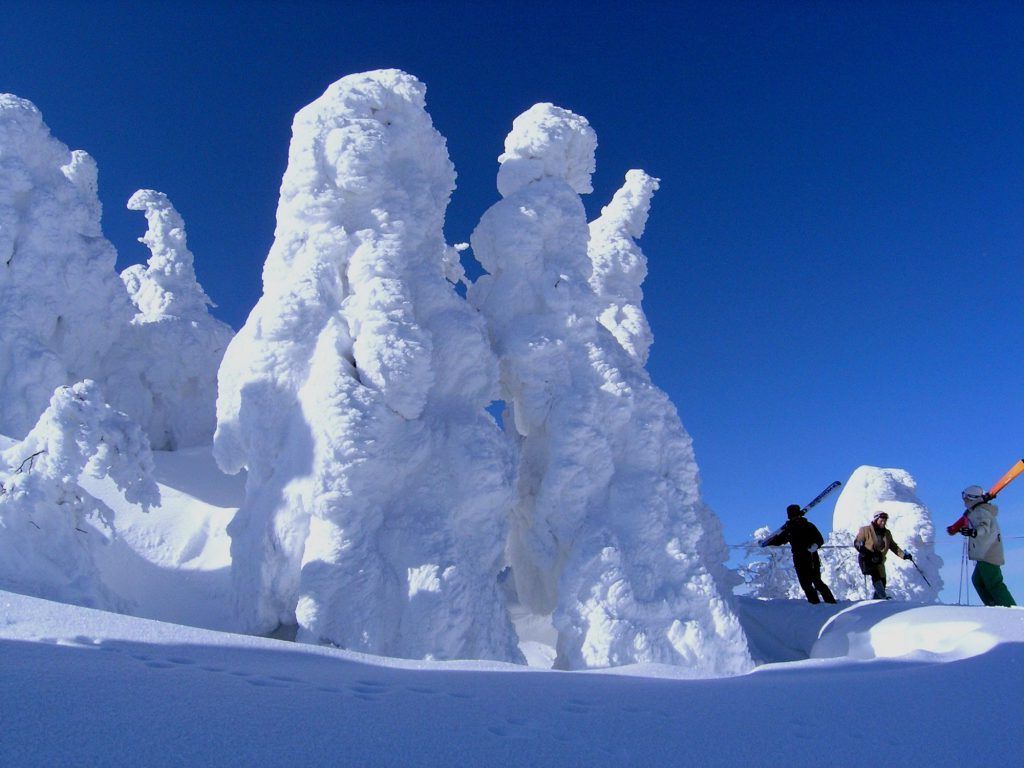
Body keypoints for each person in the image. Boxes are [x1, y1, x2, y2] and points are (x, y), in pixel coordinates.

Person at [947, 485, 1016, 607]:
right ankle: (993, 605)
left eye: (965, 498)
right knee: (978, 581)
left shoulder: (980, 511)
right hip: (984, 553)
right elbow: (975, 525)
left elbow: (984, 527)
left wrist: (973, 532)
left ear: (971, 498)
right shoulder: (976, 511)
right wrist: (965, 529)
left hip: (989, 553)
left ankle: (1009, 608)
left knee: (994, 583)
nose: (964, 501)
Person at [761, 504, 836, 604]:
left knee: (817, 581)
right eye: (793, 515)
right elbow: (779, 540)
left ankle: (830, 602)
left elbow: (819, 539)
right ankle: (815, 604)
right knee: (805, 584)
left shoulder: (809, 526)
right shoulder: (789, 529)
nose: (795, 517)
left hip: (811, 556)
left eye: (796, 515)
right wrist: (767, 543)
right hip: (798, 558)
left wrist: (815, 546)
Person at [854, 511, 913, 599]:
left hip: (879, 560)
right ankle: (882, 596)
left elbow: (893, 546)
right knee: (875, 575)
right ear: (876, 519)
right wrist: (866, 552)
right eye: (881, 520)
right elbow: (857, 543)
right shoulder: (865, 530)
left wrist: (903, 555)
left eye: (885, 521)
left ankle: (877, 601)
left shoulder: (887, 533)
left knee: (883, 581)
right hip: (867, 559)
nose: (883, 522)